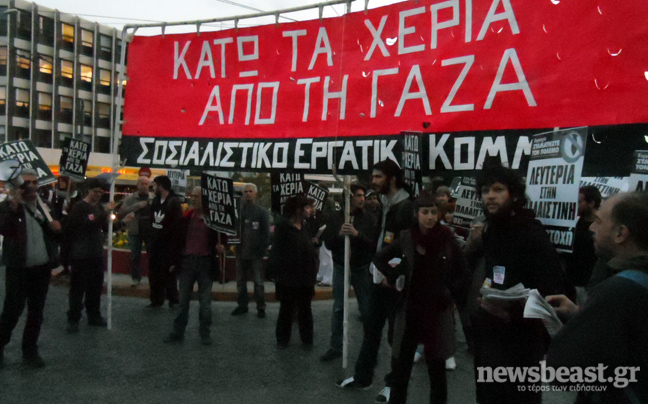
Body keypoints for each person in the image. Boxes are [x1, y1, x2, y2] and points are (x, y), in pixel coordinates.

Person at [470, 163, 564, 404]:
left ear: (515, 194)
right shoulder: (491, 231)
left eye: (498, 189)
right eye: (484, 190)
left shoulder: (531, 234)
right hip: (489, 340)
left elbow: (552, 296)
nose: (489, 196)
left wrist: (511, 314)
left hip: (521, 345)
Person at [546, 192, 648, 403]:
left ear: (620, 233)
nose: (592, 228)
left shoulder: (619, 290)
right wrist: (580, 313)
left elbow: (562, 369)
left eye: (599, 221)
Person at [373, 194, 469, 404]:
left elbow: (462, 272)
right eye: (425, 212)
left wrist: (449, 292)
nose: (430, 217)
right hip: (410, 311)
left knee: (436, 370)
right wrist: (393, 276)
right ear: (416, 214)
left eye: (434, 212)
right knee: (402, 369)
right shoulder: (407, 237)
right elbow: (380, 257)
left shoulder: (446, 238)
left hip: (436, 312)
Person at [337, 159, 414, 404]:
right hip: (378, 277)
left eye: (378, 177)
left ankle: (394, 385)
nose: (374, 181)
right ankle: (363, 377)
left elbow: (408, 250)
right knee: (371, 329)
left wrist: (394, 276)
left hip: (395, 283)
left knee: (396, 336)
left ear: (392, 178)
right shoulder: (384, 203)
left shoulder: (406, 207)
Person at [0, 169, 61, 368]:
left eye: (35, 182)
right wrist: (13, 205)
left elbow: (53, 236)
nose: (32, 186)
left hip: (41, 268)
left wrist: (56, 229)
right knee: (12, 310)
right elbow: (5, 229)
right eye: (27, 183)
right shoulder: (8, 207)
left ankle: (30, 350)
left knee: (37, 311)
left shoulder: (45, 206)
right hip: (19, 268)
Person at [320, 184, 378, 362]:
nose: (362, 199)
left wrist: (357, 234)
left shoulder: (369, 218)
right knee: (338, 307)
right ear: (349, 197)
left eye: (363, 196)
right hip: (340, 266)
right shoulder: (336, 217)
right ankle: (335, 346)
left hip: (360, 268)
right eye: (359, 195)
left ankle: (371, 348)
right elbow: (328, 243)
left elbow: (373, 244)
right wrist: (339, 235)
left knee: (367, 309)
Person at [164, 187, 226, 346]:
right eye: (192, 196)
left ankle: (205, 332)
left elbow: (222, 240)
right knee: (182, 301)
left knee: (205, 303)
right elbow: (176, 242)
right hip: (187, 262)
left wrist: (221, 248)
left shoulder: (213, 220)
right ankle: (177, 332)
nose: (193, 199)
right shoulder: (186, 219)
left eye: (197, 196)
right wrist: (173, 262)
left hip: (205, 263)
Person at [62, 178, 115, 333]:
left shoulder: (98, 207)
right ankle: (73, 318)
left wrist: (121, 220)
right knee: (78, 289)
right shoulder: (80, 207)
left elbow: (104, 226)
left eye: (101, 192)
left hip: (95, 253)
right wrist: (103, 214)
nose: (98, 195)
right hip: (81, 254)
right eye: (96, 192)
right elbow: (86, 224)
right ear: (89, 191)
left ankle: (93, 314)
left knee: (95, 287)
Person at [268, 195, 319, 348]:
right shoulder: (283, 227)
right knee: (286, 309)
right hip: (288, 277)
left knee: (305, 309)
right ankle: (283, 340)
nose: (310, 210)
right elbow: (276, 251)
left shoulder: (306, 226)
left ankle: (307, 339)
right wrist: (274, 272)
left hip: (305, 277)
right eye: (307, 207)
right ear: (298, 210)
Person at [232, 183, 270, 318]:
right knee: (240, 281)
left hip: (256, 254)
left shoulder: (262, 212)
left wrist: (261, 250)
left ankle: (261, 307)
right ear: (242, 194)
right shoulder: (238, 212)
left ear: (255, 194)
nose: (248, 193)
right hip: (241, 252)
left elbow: (266, 234)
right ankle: (242, 305)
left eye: (250, 191)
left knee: (258, 282)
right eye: (245, 191)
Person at [147, 175, 182, 308]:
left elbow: (177, 223)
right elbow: (151, 219)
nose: (153, 188)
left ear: (161, 186)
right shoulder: (155, 201)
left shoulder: (173, 201)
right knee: (154, 272)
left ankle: (173, 299)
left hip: (168, 243)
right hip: (155, 242)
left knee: (168, 272)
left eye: (155, 185)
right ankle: (156, 299)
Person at [564, 185, 601, 305]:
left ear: (591, 203)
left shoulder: (600, 225)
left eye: (580, 202)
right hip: (572, 277)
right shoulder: (577, 221)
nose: (576, 205)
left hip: (587, 280)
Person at [118, 176, 153, 286]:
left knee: (152, 255)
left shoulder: (153, 197)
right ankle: (135, 277)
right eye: (142, 183)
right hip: (135, 230)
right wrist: (136, 206)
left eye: (146, 184)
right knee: (135, 256)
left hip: (149, 230)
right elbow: (121, 213)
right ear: (137, 185)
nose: (144, 186)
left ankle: (152, 277)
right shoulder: (130, 199)